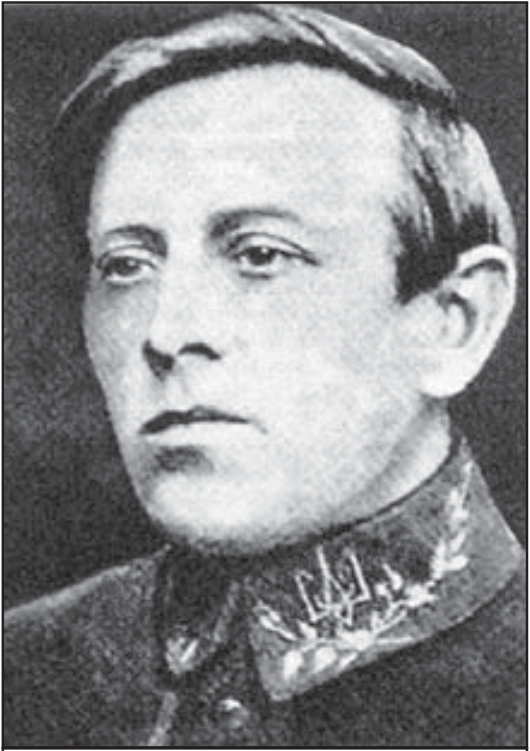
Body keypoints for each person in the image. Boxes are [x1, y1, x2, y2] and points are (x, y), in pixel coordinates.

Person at [4, 4, 525, 747]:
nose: (166, 333)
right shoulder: (21, 671)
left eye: (260, 254)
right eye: (125, 265)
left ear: (455, 320)